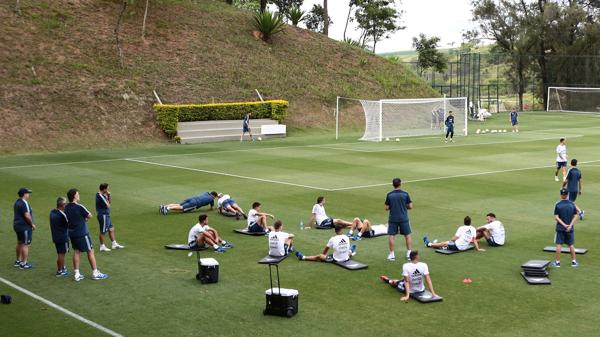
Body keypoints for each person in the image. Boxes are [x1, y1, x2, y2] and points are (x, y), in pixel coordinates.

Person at [64, 188, 108, 281]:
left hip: (72, 233)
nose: (79, 195)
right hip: (82, 233)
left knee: (76, 251)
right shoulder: (79, 207)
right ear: (74, 196)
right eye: (78, 194)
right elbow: (89, 215)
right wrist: (84, 219)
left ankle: (77, 273)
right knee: (90, 251)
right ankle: (95, 273)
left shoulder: (66, 207)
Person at [385, 178, 413, 261]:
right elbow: (410, 206)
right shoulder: (405, 194)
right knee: (407, 235)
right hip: (404, 218)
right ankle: (409, 253)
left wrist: (393, 206)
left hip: (393, 218)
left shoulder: (389, 194)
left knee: (391, 236)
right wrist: (404, 206)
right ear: (400, 184)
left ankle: (392, 255)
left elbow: (386, 207)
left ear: (393, 184)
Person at [552, 188, 579, 267]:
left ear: (561, 195)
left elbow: (556, 217)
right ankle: (574, 262)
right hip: (570, 228)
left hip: (560, 228)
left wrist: (564, 225)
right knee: (571, 244)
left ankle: (557, 263)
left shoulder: (558, 204)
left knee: (559, 244)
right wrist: (570, 225)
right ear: (567, 195)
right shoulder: (572, 204)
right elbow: (576, 215)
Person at [96, 183, 124, 252]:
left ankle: (114, 244)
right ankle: (102, 246)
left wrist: (109, 195)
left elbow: (109, 202)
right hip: (103, 215)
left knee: (111, 229)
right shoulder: (100, 196)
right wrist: (107, 198)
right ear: (104, 189)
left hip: (106, 215)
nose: (108, 189)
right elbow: (108, 205)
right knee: (103, 231)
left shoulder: (104, 195)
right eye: (107, 188)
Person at [13, 187, 36, 269]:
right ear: (24, 194)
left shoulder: (17, 202)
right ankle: (24, 263)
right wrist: (32, 224)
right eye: (28, 193)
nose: (29, 194)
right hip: (24, 227)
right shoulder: (24, 203)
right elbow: (27, 215)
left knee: (19, 242)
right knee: (25, 244)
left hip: (17, 225)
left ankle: (18, 261)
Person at [49, 197, 70, 277]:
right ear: (62, 205)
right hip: (62, 237)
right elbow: (68, 225)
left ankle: (62, 267)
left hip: (55, 236)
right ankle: (60, 271)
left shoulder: (52, 212)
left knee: (59, 253)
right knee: (61, 254)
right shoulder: (62, 215)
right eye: (66, 203)